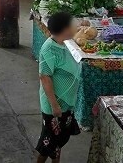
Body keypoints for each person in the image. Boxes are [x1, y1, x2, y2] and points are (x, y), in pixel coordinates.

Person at [36, 12, 81, 163]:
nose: (75, 27)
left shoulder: (63, 43)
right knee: (49, 143)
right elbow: (45, 77)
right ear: (65, 29)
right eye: (72, 25)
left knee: (57, 140)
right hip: (55, 105)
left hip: (66, 102)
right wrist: (54, 105)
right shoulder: (49, 49)